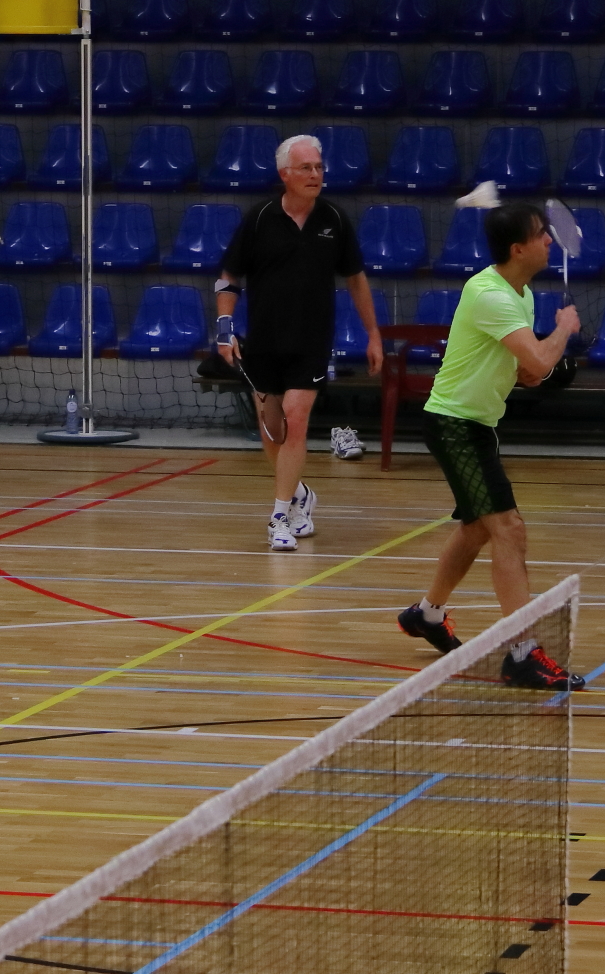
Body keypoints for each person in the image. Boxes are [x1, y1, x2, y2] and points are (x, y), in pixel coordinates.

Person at [397, 202, 586, 691]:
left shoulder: (522, 295)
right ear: (518, 249)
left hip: (476, 424)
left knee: (477, 529)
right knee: (508, 528)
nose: (550, 240)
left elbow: (526, 369)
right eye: (541, 234)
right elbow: (539, 361)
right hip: (455, 425)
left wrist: (537, 366)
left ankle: (427, 615)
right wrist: (563, 330)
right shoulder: (489, 294)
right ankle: (522, 653)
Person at [215, 134, 383, 552]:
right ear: (284, 174)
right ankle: (299, 494)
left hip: (312, 341)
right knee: (271, 430)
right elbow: (228, 277)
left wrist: (373, 334)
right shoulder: (259, 219)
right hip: (263, 341)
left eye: (319, 167)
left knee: (295, 416)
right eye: (306, 168)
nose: (315, 174)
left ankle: (278, 517)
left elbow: (356, 280)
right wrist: (223, 327)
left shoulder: (335, 220)